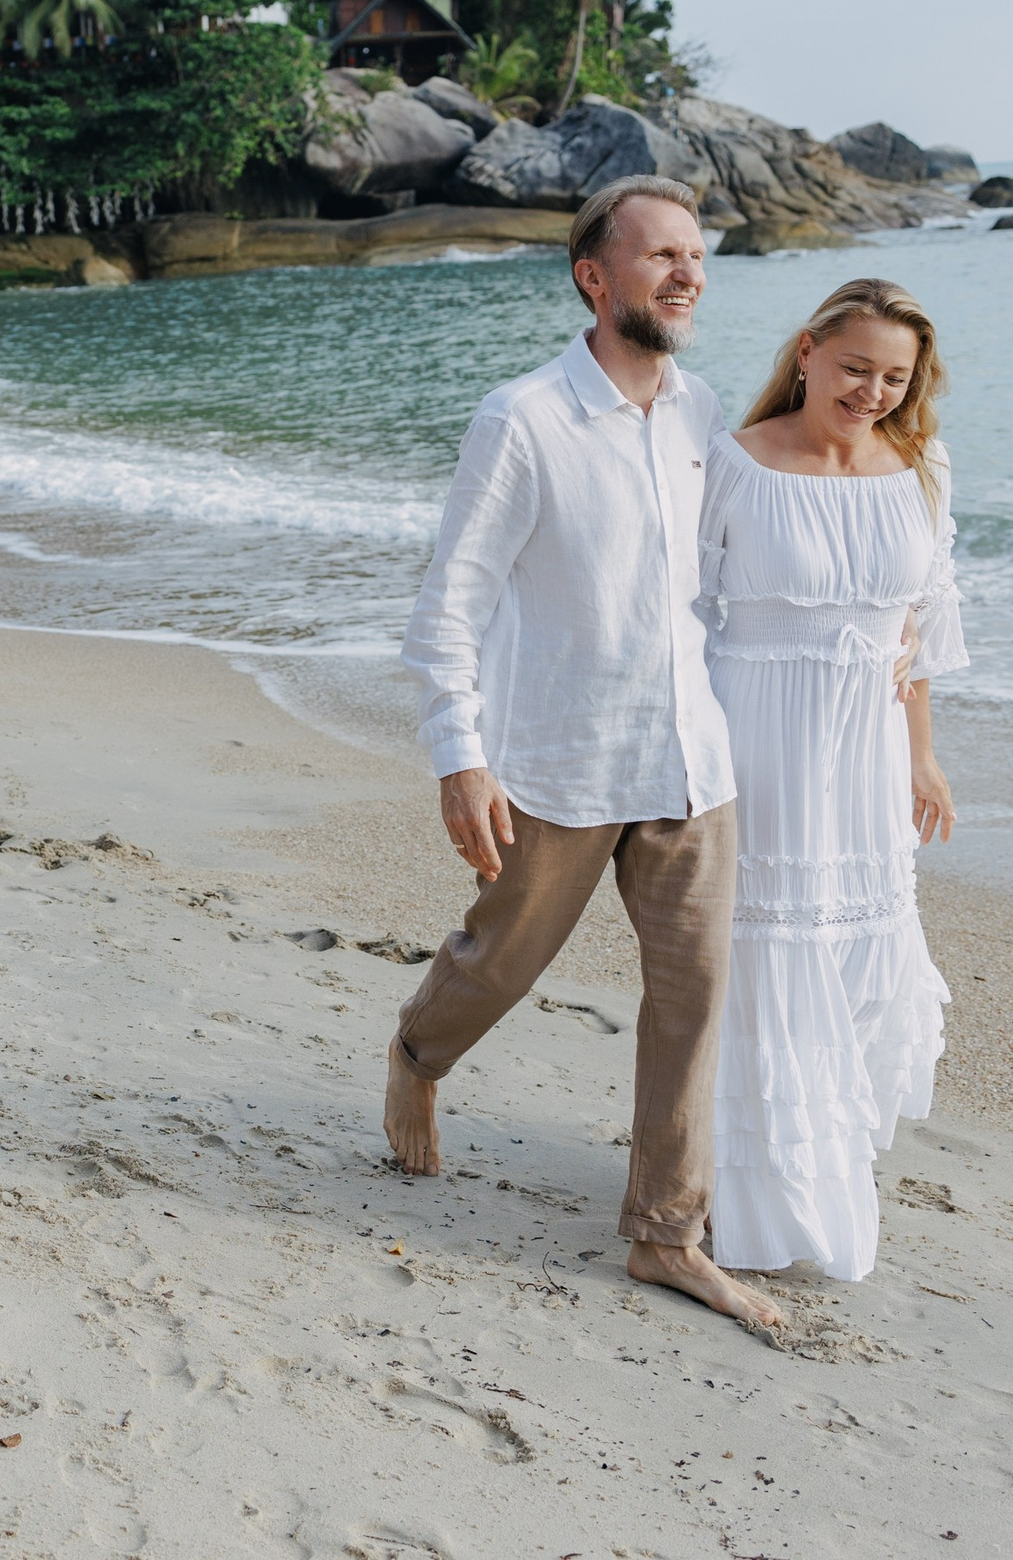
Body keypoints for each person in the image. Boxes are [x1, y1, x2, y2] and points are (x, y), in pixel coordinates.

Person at [388, 174, 783, 1328]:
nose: (685, 273)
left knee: (696, 994)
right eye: (659, 254)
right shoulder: (524, 418)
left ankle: (665, 1232)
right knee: (497, 964)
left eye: (696, 256)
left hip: (689, 760)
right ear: (593, 276)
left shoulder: (705, 415)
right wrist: (459, 755)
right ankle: (415, 1056)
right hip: (557, 757)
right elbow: (449, 603)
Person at [698, 279, 963, 1282]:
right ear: (806, 351)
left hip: (866, 749)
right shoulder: (733, 464)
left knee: (860, 955)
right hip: (755, 734)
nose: (873, 392)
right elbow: (679, 616)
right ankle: (746, 1187)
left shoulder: (920, 465)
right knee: (763, 957)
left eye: (894, 377)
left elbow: (922, 625)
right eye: (856, 368)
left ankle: (827, 1158)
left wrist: (923, 756)